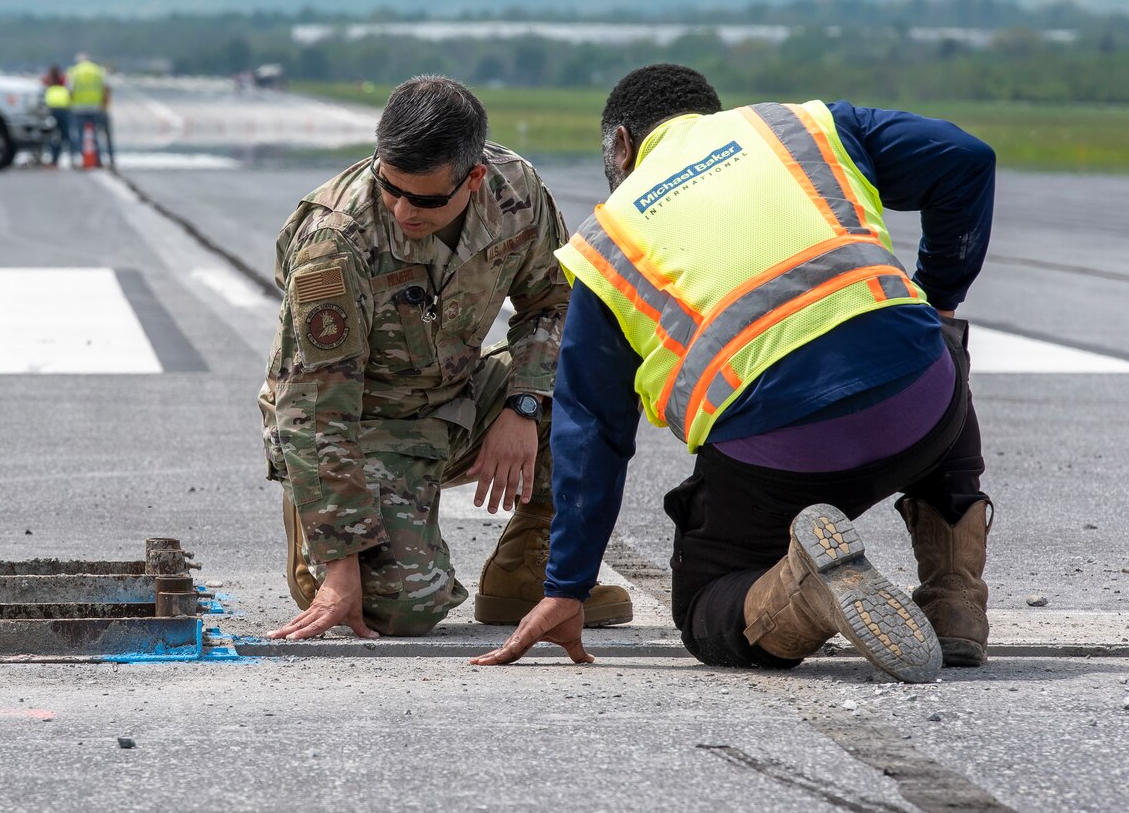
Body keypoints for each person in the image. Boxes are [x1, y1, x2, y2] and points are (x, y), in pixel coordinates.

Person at [474, 64, 995, 683]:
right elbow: (967, 158)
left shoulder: (609, 240)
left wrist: (568, 587)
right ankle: (955, 601)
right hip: (920, 415)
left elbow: (592, 431)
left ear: (620, 144)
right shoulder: (801, 127)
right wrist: (939, 297)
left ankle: (809, 590)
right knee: (931, 341)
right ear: (711, 114)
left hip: (781, 460)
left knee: (705, 605)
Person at [262, 76, 633, 640]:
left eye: (427, 199)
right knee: (398, 610)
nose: (404, 210)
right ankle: (321, 539)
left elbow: (555, 302)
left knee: (599, 367)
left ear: (474, 176)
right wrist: (342, 565)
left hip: (456, 399)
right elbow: (313, 410)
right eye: (391, 188)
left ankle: (526, 568)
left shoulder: (516, 192)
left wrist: (525, 405)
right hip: (362, 429)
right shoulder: (334, 241)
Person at [67, 52, 115, 167]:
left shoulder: (74, 71)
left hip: (78, 108)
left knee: (79, 136)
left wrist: (71, 104)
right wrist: (103, 105)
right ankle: (97, 160)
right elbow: (106, 89)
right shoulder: (98, 71)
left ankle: (81, 160)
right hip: (95, 108)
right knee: (95, 135)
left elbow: (69, 90)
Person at [42, 66, 73, 166]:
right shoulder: (62, 85)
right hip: (63, 110)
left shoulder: (48, 86)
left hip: (52, 111)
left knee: (54, 137)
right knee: (64, 137)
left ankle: (54, 159)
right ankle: (72, 158)